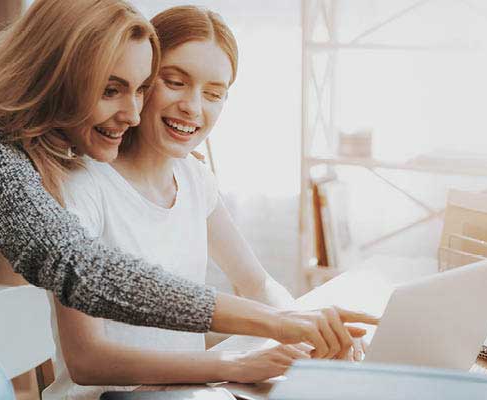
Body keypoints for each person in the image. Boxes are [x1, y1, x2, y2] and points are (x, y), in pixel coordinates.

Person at [0, 0, 376, 358]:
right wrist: (277, 324)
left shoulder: (18, 130)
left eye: (141, 88)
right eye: (110, 89)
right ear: (56, 75)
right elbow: (82, 271)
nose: (132, 112)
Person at [44, 7, 352, 398]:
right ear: (142, 81)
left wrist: (310, 329)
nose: (193, 107)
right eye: (175, 82)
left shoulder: (193, 178)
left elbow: (255, 282)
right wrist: (232, 365)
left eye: (213, 93)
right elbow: (88, 360)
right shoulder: (83, 187)